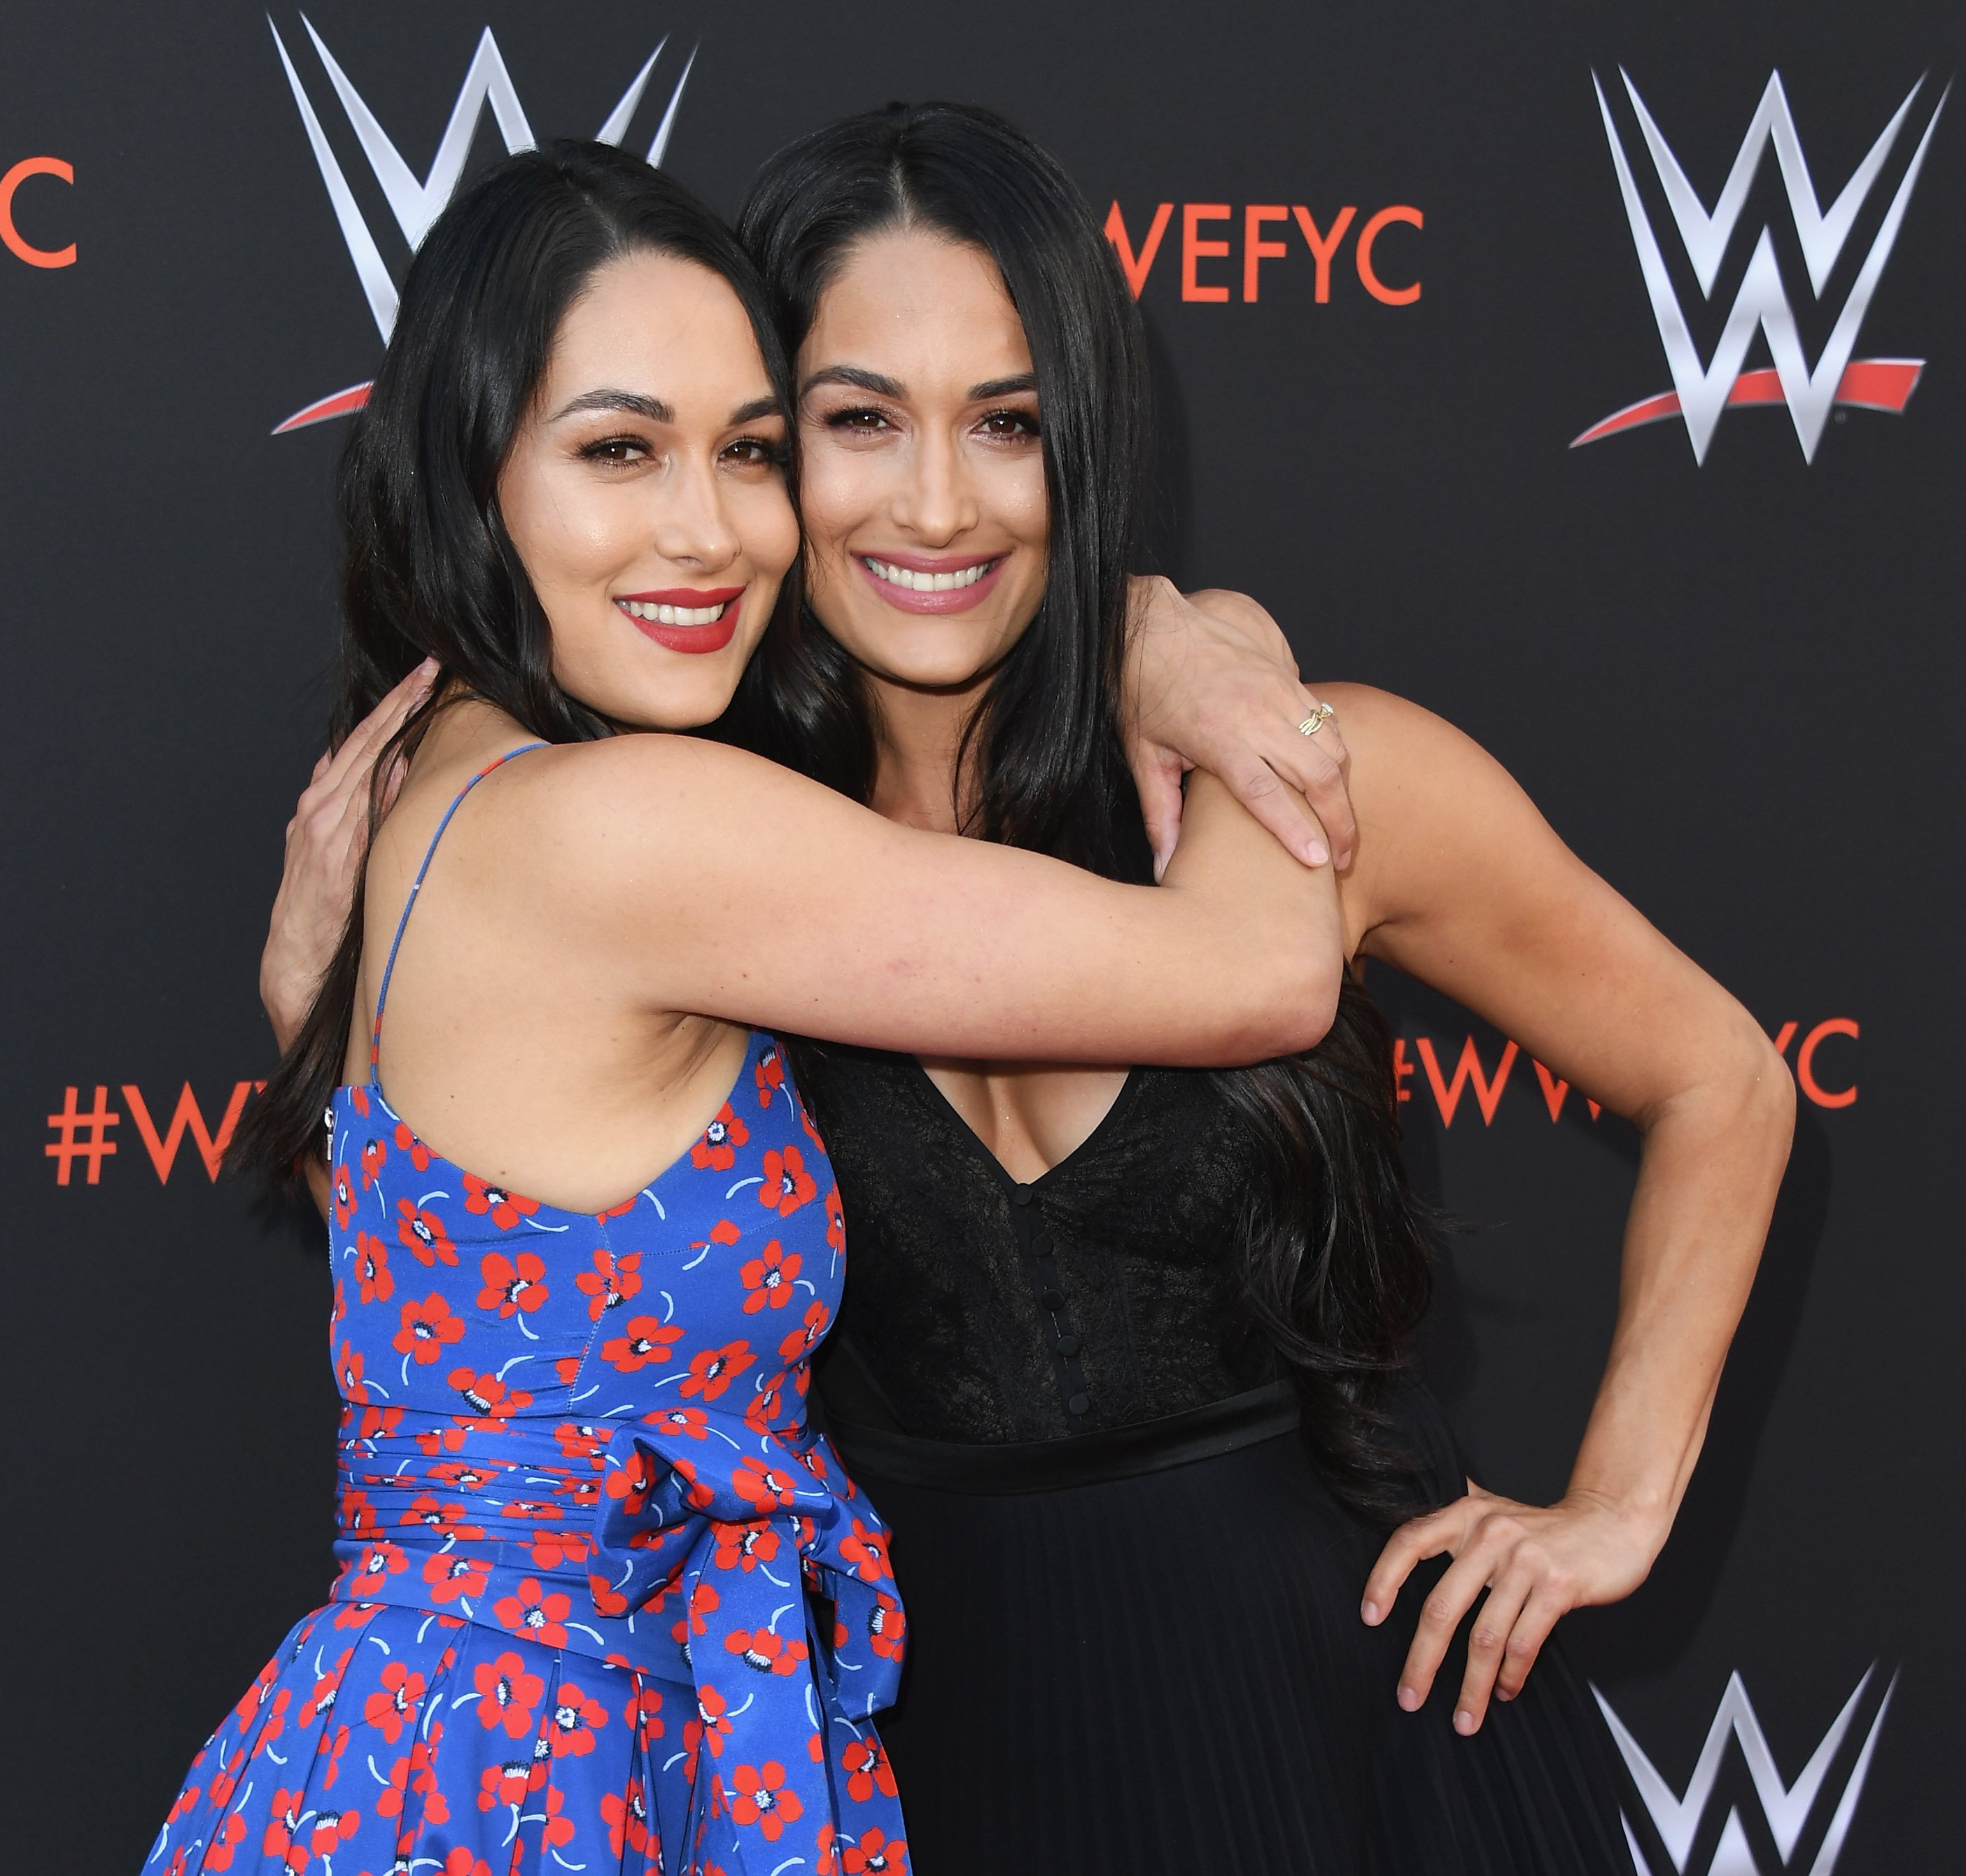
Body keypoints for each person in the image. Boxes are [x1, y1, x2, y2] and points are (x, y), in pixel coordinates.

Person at [261, 108, 1794, 1874]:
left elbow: (1724, 1080)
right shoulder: (691, 853)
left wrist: (1618, 1502)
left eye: (1010, 423)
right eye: (851, 424)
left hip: (1343, 1734)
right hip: (914, 1759)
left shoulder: (1308, 787)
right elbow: (506, 1275)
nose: (938, 502)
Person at [144, 139, 1352, 1876]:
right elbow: (1261, 970)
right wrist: (1187, 630)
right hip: (528, 1786)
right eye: (619, 451)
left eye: (753, 452)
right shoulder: (628, 824)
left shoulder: (461, 772)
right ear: (469, 479)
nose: (709, 532)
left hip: (460, 1753)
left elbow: (492, 1323)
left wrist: (310, 1037)